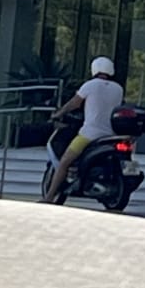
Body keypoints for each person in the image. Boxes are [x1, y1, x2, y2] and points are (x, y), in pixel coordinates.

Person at [46, 56, 125, 202]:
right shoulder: (118, 89)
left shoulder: (89, 85)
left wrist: (59, 113)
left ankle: (49, 197)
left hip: (90, 134)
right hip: (111, 135)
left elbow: (74, 103)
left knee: (64, 161)